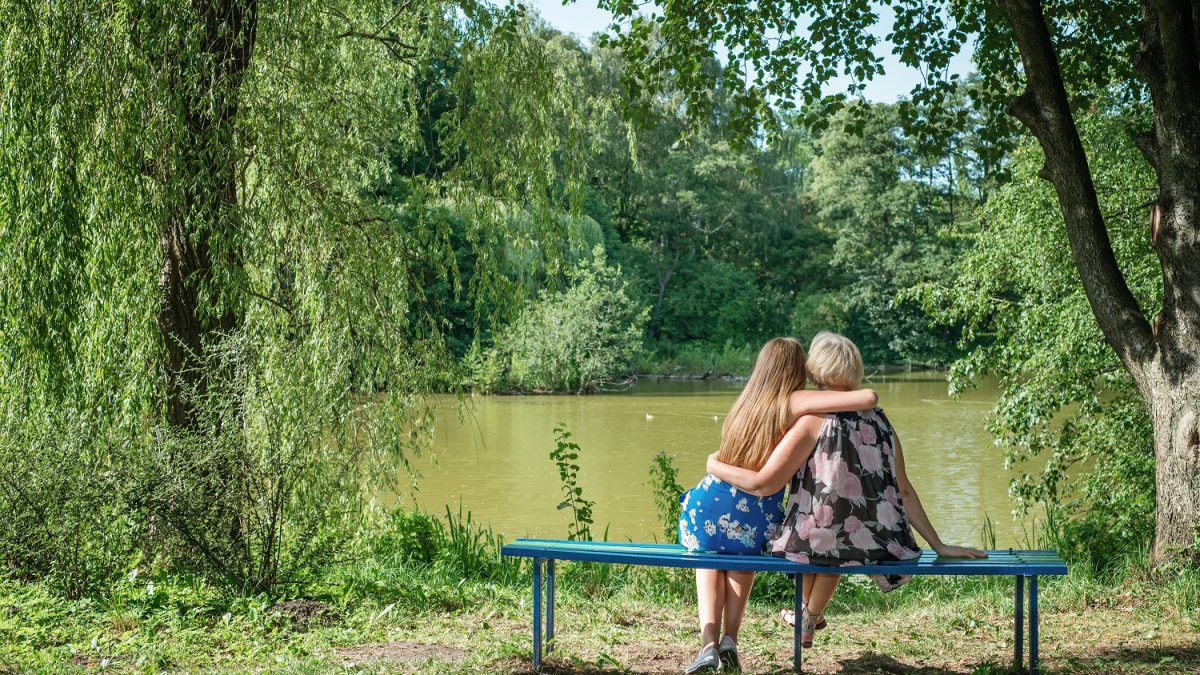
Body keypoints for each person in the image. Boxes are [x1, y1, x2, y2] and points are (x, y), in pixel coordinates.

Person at [706, 331, 986, 651]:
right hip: (874, 539)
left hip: (817, 536)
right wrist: (938, 544)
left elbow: (770, 479)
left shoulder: (811, 420)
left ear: (817, 370)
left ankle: (806, 619)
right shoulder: (881, 422)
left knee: (822, 529)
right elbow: (904, 490)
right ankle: (808, 617)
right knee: (839, 530)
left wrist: (715, 465)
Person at [678, 336, 879, 673]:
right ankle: (730, 638)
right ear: (795, 370)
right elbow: (868, 397)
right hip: (756, 512)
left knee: (708, 561)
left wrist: (711, 465)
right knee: (743, 561)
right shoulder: (792, 402)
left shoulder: (744, 403)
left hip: (708, 503)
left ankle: (708, 645)